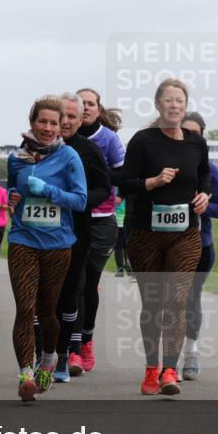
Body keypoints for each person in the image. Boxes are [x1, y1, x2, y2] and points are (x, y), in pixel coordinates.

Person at [117, 79, 209, 396]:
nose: (174, 105)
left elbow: (205, 174)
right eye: (168, 100)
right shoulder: (143, 141)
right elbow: (125, 183)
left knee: (176, 300)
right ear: (157, 104)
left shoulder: (196, 142)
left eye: (179, 100)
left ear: (185, 106)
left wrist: (205, 195)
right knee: (153, 303)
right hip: (145, 234)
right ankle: (151, 368)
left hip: (185, 234)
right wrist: (153, 182)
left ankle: (170, 370)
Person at [7, 95, 87, 401]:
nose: (49, 127)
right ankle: (26, 374)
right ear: (32, 123)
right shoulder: (17, 157)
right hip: (23, 239)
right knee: (25, 309)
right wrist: (13, 195)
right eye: (43, 121)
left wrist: (50, 192)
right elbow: (12, 187)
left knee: (46, 311)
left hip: (57, 243)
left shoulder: (69, 158)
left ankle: (50, 357)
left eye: (55, 123)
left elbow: (79, 201)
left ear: (61, 127)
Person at [41, 92, 110, 382]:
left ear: (81, 119)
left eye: (72, 116)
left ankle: (67, 353)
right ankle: (42, 355)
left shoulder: (88, 151)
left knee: (70, 296)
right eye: (63, 116)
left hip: (75, 234)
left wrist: (76, 199)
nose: (66, 122)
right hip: (40, 234)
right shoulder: (36, 146)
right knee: (43, 299)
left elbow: (103, 189)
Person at [76, 88, 126, 371]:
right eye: (80, 103)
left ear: (98, 108)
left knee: (86, 282)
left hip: (101, 218)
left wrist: (113, 193)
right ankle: (70, 346)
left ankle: (85, 342)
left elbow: (123, 172)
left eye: (90, 104)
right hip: (70, 218)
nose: (85, 108)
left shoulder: (108, 138)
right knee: (74, 283)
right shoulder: (65, 137)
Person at [177, 112, 218, 381]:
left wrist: (205, 206)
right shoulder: (166, 165)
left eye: (194, 133)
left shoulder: (212, 170)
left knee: (190, 298)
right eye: (184, 132)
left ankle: (192, 351)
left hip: (200, 243)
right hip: (167, 241)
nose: (189, 137)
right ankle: (165, 359)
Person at [113, 197, 132, 276]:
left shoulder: (114, 188)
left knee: (118, 246)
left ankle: (120, 269)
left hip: (117, 219)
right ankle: (129, 268)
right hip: (128, 218)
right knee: (128, 244)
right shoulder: (127, 187)